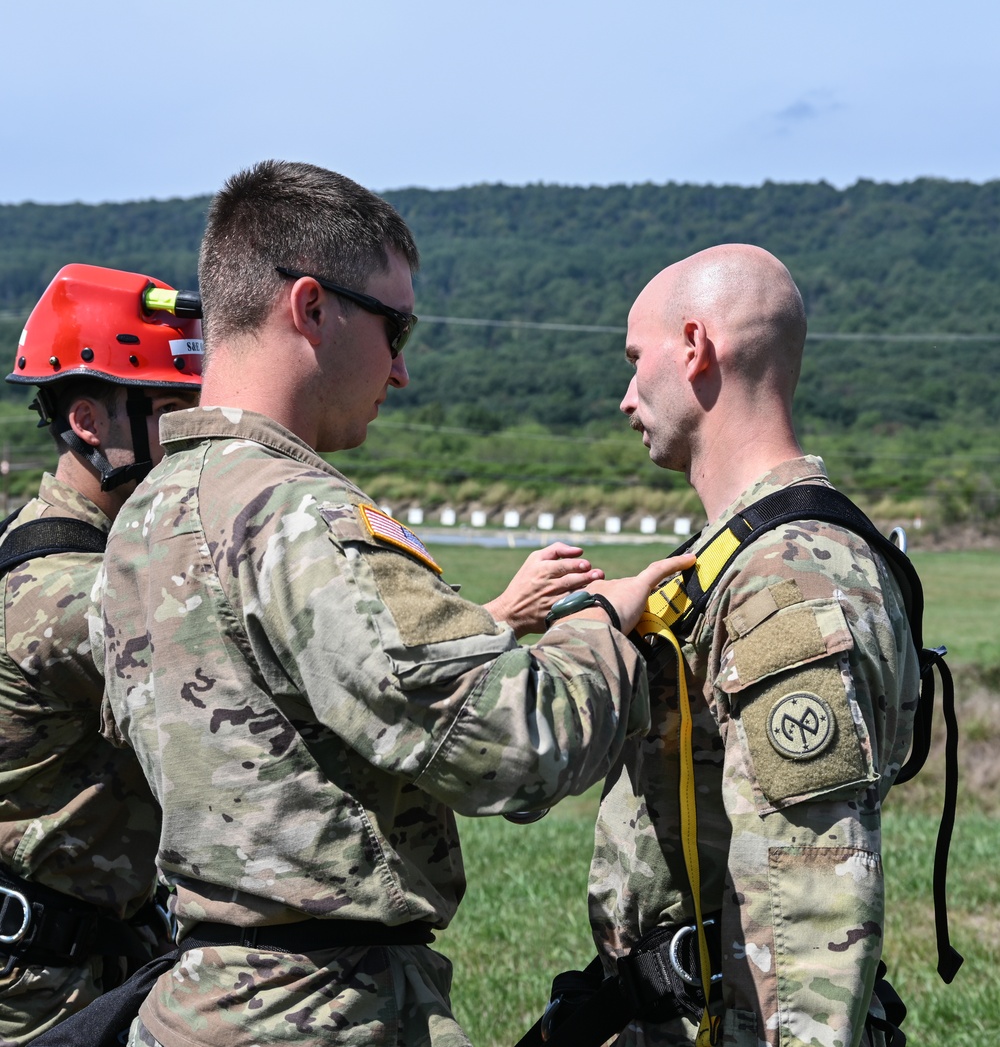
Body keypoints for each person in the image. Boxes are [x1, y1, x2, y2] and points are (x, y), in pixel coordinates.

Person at [92, 159, 694, 1047]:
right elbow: (511, 745)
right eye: (396, 326)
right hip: (327, 1012)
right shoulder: (302, 517)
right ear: (311, 307)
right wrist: (603, 625)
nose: (402, 370)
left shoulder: (146, 517)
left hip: (203, 998)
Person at [584, 244, 919, 1046]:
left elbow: (809, 901)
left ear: (696, 347)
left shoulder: (786, 577)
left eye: (638, 362)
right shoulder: (743, 554)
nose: (627, 397)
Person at [0, 263, 202, 1043]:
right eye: (173, 414)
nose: (196, 438)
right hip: (42, 986)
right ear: (90, 421)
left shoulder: (97, 550)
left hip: (97, 957)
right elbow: (241, 675)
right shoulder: (59, 592)